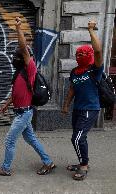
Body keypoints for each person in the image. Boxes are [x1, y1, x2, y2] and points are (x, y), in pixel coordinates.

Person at [0, 17, 55, 176]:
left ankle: (5, 169)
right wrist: (6, 105)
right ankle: (48, 162)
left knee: (10, 141)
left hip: (24, 113)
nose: (14, 59)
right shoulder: (19, 72)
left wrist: (18, 28)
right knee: (31, 139)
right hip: (20, 112)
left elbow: (23, 49)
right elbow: (17, 93)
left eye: (17, 56)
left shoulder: (30, 69)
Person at [62, 20, 103, 181]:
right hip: (78, 109)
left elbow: (98, 51)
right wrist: (66, 105)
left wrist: (91, 31)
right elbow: (72, 89)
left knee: (78, 138)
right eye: (78, 54)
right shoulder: (75, 72)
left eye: (83, 54)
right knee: (77, 137)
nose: (79, 56)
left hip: (90, 108)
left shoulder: (95, 69)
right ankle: (81, 162)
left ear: (90, 56)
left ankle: (84, 166)